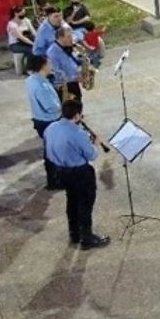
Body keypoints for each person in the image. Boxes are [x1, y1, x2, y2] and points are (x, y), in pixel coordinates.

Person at [45, 99, 110, 249]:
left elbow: (48, 153)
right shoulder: (78, 133)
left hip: (61, 171)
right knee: (85, 204)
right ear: (76, 115)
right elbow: (91, 155)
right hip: (80, 173)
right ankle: (87, 238)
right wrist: (95, 143)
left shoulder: (51, 127)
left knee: (72, 201)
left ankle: (74, 234)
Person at [26, 55, 62, 190]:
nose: (51, 65)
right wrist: (65, 106)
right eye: (49, 63)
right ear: (43, 66)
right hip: (49, 122)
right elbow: (50, 107)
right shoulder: (41, 86)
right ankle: (54, 181)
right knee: (52, 152)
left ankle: (54, 178)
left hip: (40, 120)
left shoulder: (32, 80)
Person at [47, 26, 83, 102]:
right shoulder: (52, 53)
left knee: (78, 105)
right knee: (71, 110)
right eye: (69, 36)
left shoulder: (68, 47)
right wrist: (75, 78)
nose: (72, 39)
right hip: (63, 88)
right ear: (60, 37)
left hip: (73, 83)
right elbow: (56, 75)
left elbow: (73, 62)